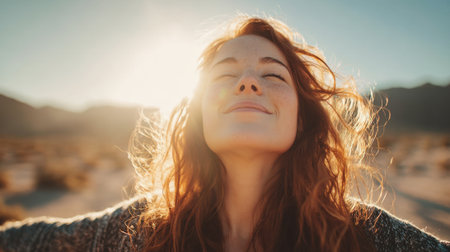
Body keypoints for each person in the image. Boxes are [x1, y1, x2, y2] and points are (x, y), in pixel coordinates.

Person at [0, 15, 449, 252]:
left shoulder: (366, 236)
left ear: (303, 116)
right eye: (225, 75)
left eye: (272, 75)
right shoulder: (139, 232)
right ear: (198, 117)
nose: (247, 83)